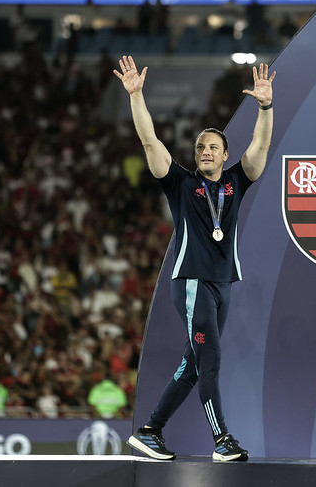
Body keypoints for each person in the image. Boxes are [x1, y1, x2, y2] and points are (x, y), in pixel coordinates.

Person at [114, 55, 275, 462]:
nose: (205, 151)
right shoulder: (181, 183)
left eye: (213, 147)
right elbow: (150, 141)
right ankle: (222, 440)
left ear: (225, 155)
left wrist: (266, 107)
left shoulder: (237, 180)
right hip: (192, 281)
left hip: (223, 283)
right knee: (211, 358)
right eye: (200, 146)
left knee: (193, 364)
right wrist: (137, 97)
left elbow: (260, 147)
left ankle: (149, 431)